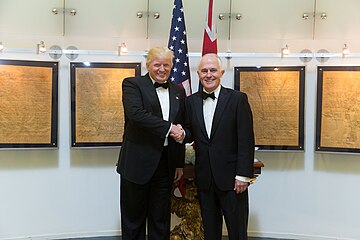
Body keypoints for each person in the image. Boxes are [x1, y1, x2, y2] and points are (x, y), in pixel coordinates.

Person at [182, 54, 255, 240]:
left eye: (213, 70)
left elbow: (246, 140)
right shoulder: (190, 102)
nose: (209, 75)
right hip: (205, 179)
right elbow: (190, 132)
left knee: (237, 231)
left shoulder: (238, 99)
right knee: (210, 231)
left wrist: (243, 176)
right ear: (198, 74)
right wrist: (181, 133)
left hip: (232, 180)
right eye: (204, 71)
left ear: (221, 72)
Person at [116, 46, 186, 240]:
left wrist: (179, 162)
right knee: (133, 219)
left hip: (165, 164)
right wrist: (169, 128)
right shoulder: (132, 84)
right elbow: (136, 114)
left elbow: (182, 123)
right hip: (136, 163)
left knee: (161, 219)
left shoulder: (178, 91)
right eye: (157, 65)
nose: (162, 69)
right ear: (148, 65)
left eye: (166, 65)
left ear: (172, 66)